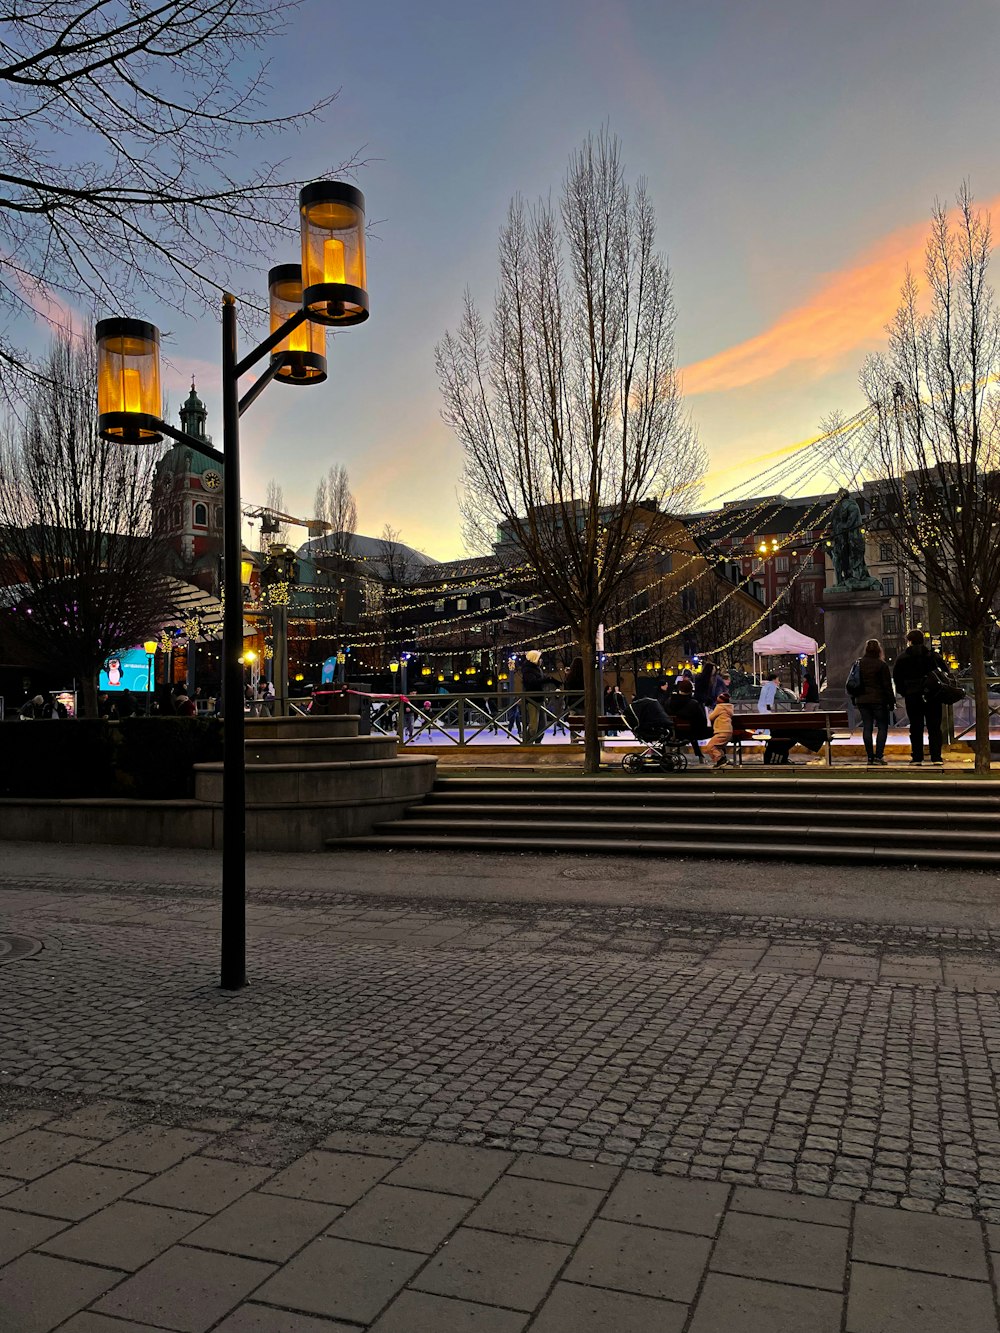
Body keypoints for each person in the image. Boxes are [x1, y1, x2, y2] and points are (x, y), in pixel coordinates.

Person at [892, 629, 948, 766]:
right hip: (933, 695)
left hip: (912, 695)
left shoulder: (902, 658)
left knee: (916, 727)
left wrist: (904, 692)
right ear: (923, 640)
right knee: (934, 727)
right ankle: (936, 757)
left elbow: (897, 678)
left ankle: (917, 757)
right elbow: (945, 673)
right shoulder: (933, 656)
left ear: (909, 641)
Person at [855, 638, 894, 766]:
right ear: (879, 650)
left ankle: (870, 757)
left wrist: (855, 698)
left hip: (862, 700)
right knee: (882, 727)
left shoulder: (859, 664)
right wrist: (891, 701)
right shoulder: (881, 665)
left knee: (867, 727)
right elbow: (887, 685)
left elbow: (854, 682)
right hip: (879, 700)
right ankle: (878, 756)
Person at [665, 678, 711, 762]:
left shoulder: (669, 702)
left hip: (675, 732)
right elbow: (702, 720)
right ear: (691, 690)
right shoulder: (694, 704)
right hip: (693, 732)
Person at [704, 691, 735, 768]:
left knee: (710, 746)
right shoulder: (729, 707)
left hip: (722, 731)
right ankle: (722, 760)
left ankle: (721, 760)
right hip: (728, 731)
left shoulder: (720, 707)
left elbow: (711, 717)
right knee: (718, 747)